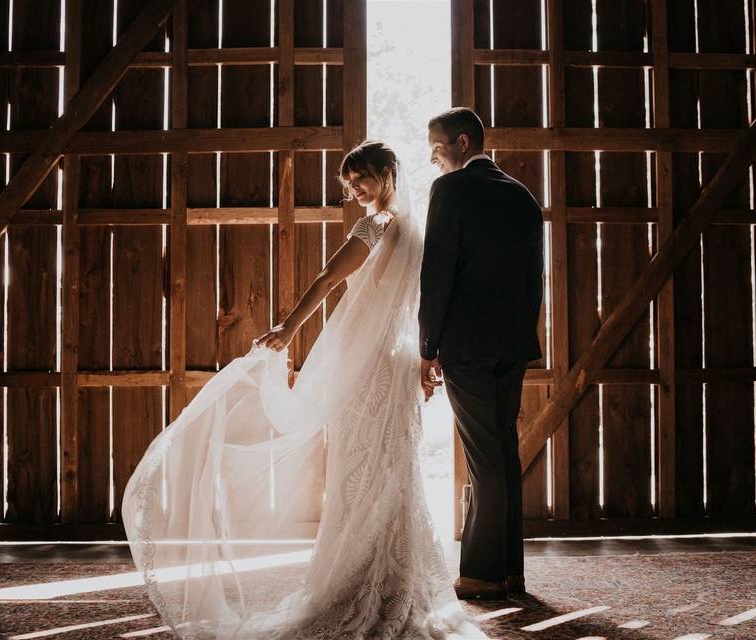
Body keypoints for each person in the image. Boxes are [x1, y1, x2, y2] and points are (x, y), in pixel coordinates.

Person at [122, 140, 487, 639]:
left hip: (372, 370)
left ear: (387, 173)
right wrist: (428, 357)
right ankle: (388, 577)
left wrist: (288, 329)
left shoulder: (377, 224)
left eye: (360, 178)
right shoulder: (417, 231)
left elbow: (327, 279)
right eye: (349, 183)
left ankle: (368, 582)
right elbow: (428, 302)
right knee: (385, 470)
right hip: (396, 363)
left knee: (365, 470)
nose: (354, 189)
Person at [419, 107, 544, 600]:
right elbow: (534, 279)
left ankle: (483, 572)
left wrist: (428, 346)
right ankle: (511, 570)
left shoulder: (450, 191)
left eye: (436, 147)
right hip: (511, 342)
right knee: (503, 450)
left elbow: (437, 274)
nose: (432, 158)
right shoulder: (524, 197)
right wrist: (521, 334)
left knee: (483, 454)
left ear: (463, 143)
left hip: (466, 344)